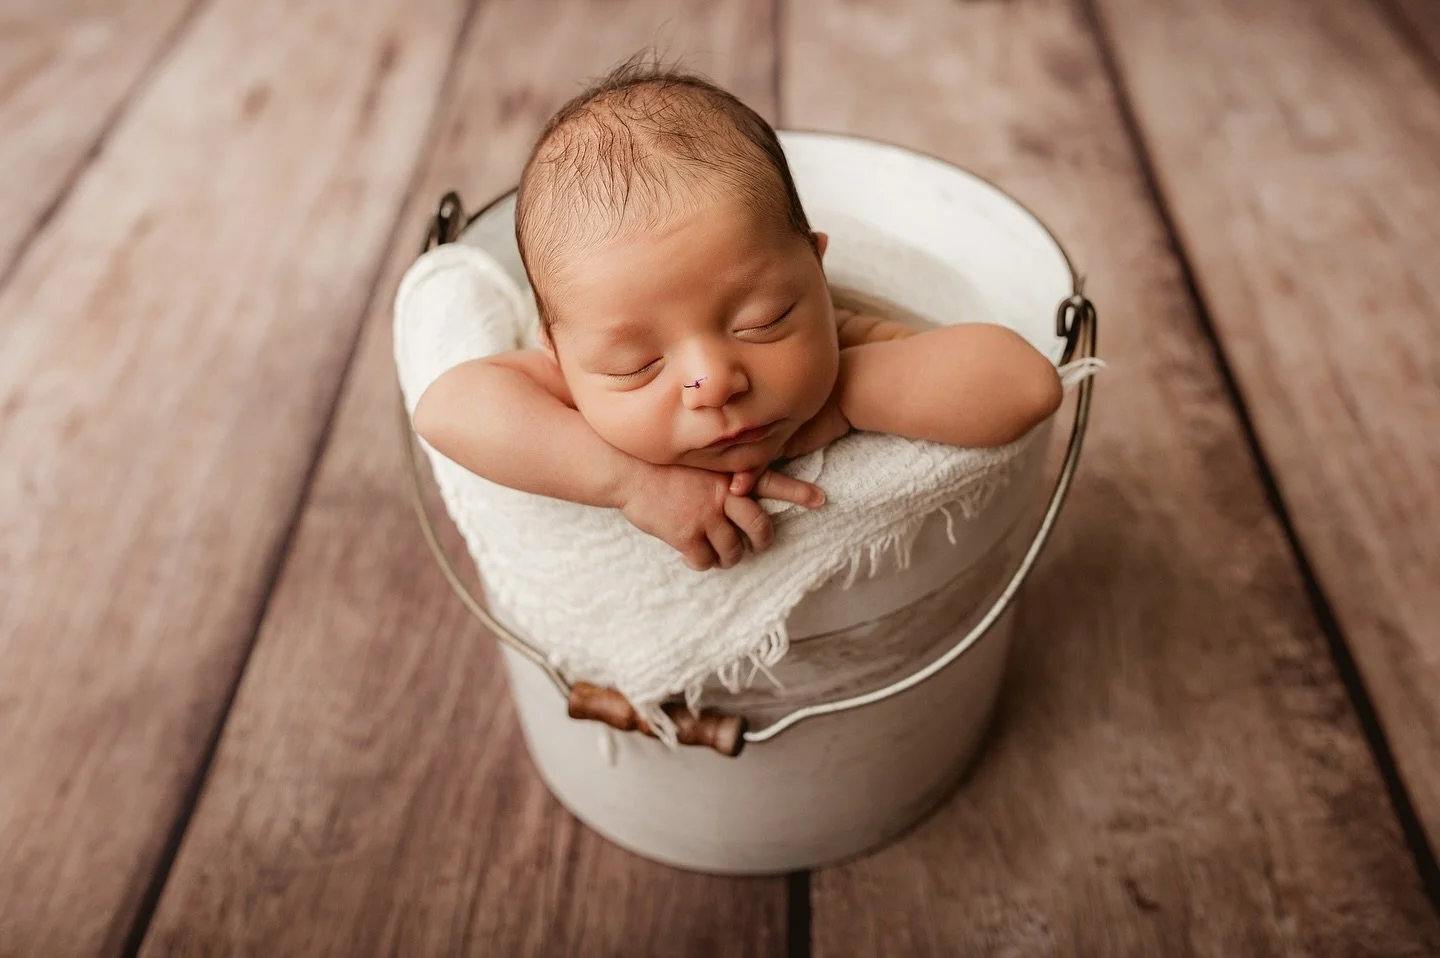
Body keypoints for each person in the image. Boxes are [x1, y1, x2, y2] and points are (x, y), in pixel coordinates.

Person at [413, 58, 1061, 573]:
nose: (713, 382)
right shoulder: (571, 382)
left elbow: (1026, 385)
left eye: (763, 320)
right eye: (637, 365)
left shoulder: (842, 336)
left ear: (817, 272)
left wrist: (844, 394)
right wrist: (630, 483)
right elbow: (446, 408)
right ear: (559, 355)